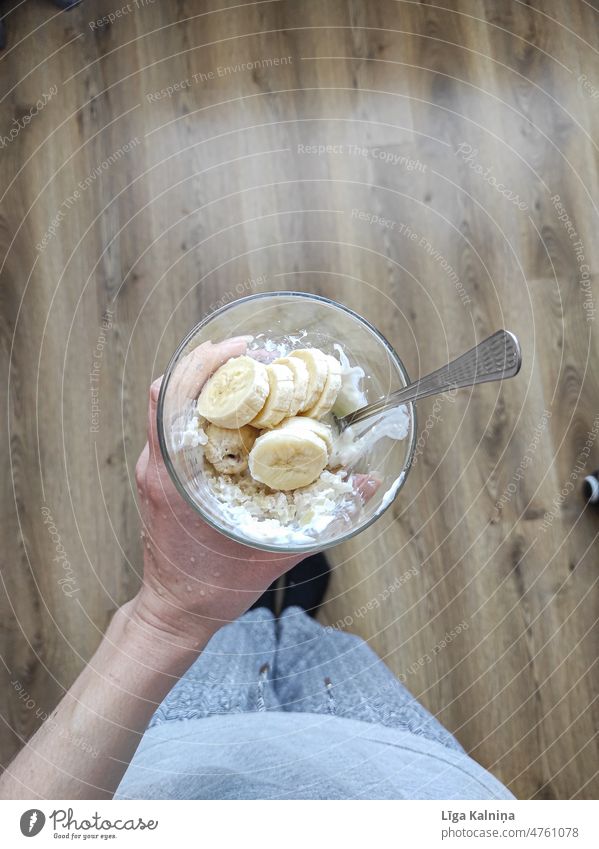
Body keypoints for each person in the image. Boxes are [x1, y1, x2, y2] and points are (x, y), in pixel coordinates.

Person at [0, 338, 514, 800]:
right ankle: (293, 619)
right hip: (400, 778)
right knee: (336, 657)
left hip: (180, 761)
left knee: (228, 645)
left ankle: (264, 613)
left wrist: (165, 617)